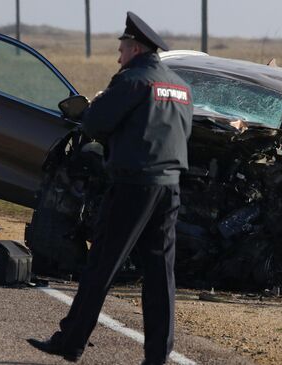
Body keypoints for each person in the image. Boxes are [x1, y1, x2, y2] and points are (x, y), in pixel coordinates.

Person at [28, 12, 193, 364]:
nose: (118, 57)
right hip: (170, 187)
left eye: (121, 50)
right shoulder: (180, 86)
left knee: (101, 265)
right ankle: (157, 358)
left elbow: (94, 123)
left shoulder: (133, 80)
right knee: (160, 275)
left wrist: (101, 105)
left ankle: (70, 342)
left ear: (134, 48)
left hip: (134, 185)